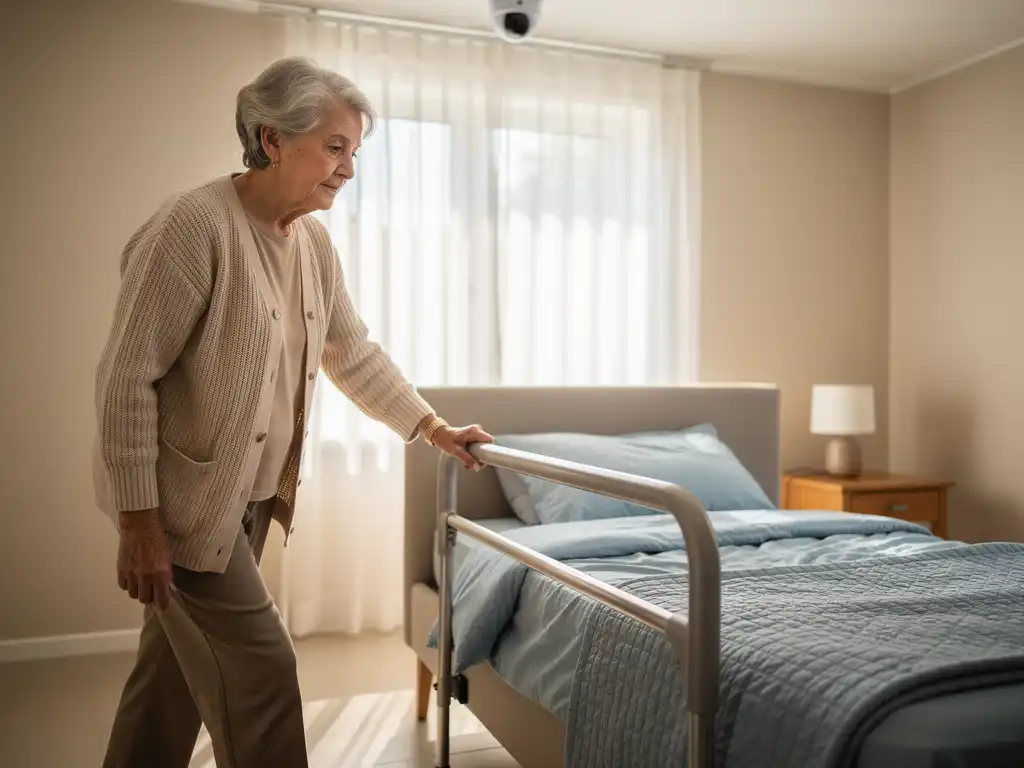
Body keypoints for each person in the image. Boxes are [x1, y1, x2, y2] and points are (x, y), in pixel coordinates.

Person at [93, 56, 493, 768]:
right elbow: (128, 379)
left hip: (245, 504)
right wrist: (138, 521)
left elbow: (352, 353)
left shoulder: (309, 241)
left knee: (170, 686)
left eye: (354, 152)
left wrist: (431, 426)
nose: (347, 167)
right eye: (334, 147)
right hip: (183, 508)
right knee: (263, 678)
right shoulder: (194, 226)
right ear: (272, 138)